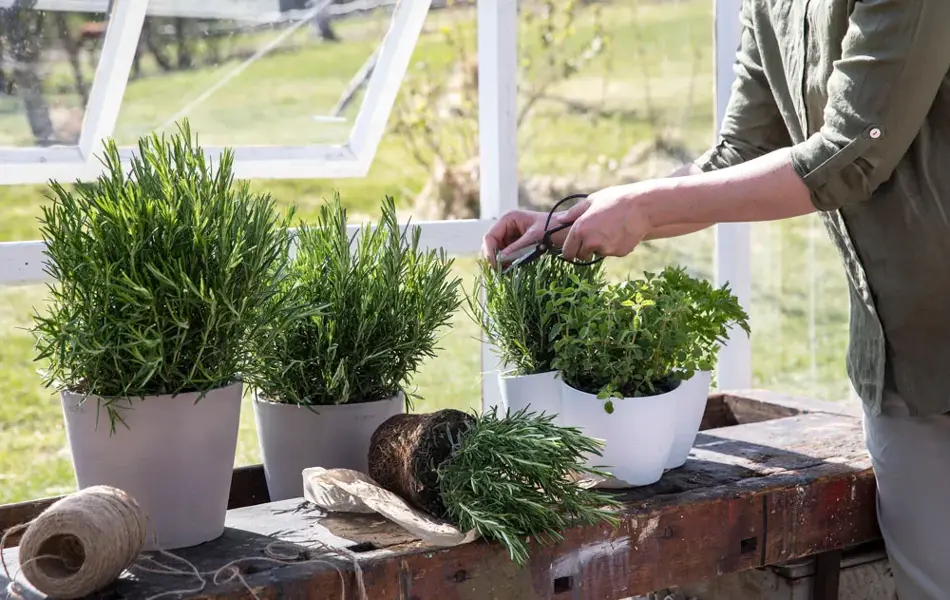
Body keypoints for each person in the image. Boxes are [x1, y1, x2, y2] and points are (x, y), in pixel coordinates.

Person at [483, 2, 950, 598]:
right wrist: (582, 216)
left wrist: (644, 209)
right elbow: (738, 155)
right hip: (903, 362)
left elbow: (853, 151)